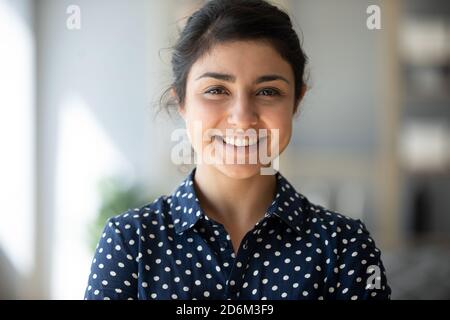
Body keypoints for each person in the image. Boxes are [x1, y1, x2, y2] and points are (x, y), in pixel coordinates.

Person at [85, 0, 391, 300]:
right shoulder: (130, 242)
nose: (243, 118)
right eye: (216, 90)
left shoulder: (345, 246)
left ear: (296, 101)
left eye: (268, 91)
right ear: (181, 101)